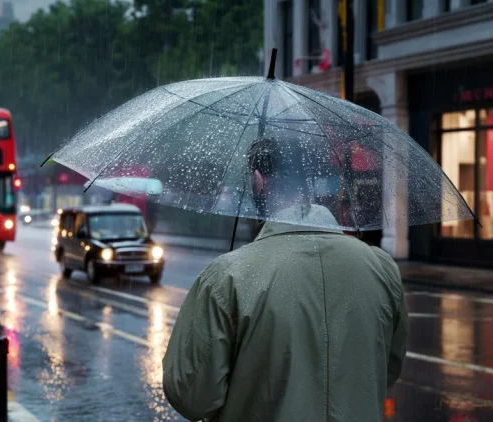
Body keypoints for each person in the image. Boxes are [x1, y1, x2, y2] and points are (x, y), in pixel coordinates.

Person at [162, 137, 408, 422]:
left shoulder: (228, 277)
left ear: (258, 180)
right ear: (311, 183)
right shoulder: (381, 269)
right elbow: (387, 368)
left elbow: (192, 397)